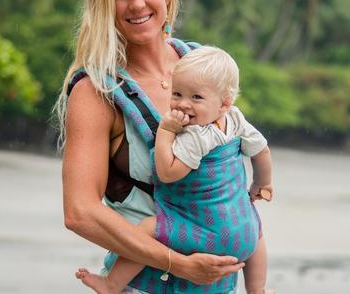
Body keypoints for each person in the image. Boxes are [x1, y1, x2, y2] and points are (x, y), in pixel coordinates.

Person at [56, 0, 247, 293]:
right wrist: (178, 263)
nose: (137, 4)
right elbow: (79, 211)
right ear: (102, 4)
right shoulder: (96, 91)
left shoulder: (203, 67)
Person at [75, 47, 273, 293]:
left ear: (223, 103)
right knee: (256, 227)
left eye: (196, 98)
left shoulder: (195, 135)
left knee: (148, 228)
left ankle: (111, 283)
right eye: (177, 94)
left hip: (207, 232)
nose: (183, 105)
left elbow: (168, 173)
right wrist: (261, 184)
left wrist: (167, 132)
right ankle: (257, 289)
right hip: (242, 235)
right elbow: (262, 151)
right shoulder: (236, 119)